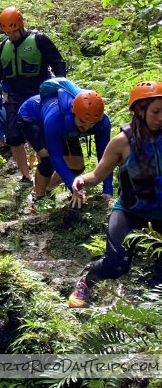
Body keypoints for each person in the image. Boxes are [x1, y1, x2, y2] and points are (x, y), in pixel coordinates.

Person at [67, 81, 162, 308]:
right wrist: (79, 181)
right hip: (129, 211)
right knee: (117, 265)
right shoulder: (122, 142)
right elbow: (97, 175)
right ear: (140, 111)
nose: (161, 117)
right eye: (156, 111)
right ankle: (86, 282)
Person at [0, 6, 67, 187]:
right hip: (15, 96)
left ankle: (45, 170)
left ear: (20, 26)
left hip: (39, 93)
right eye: (7, 33)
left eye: (13, 32)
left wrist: (61, 86)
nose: (11, 36)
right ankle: (26, 177)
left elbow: (58, 63)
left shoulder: (39, 40)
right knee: (13, 136)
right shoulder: (6, 45)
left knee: (41, 132)